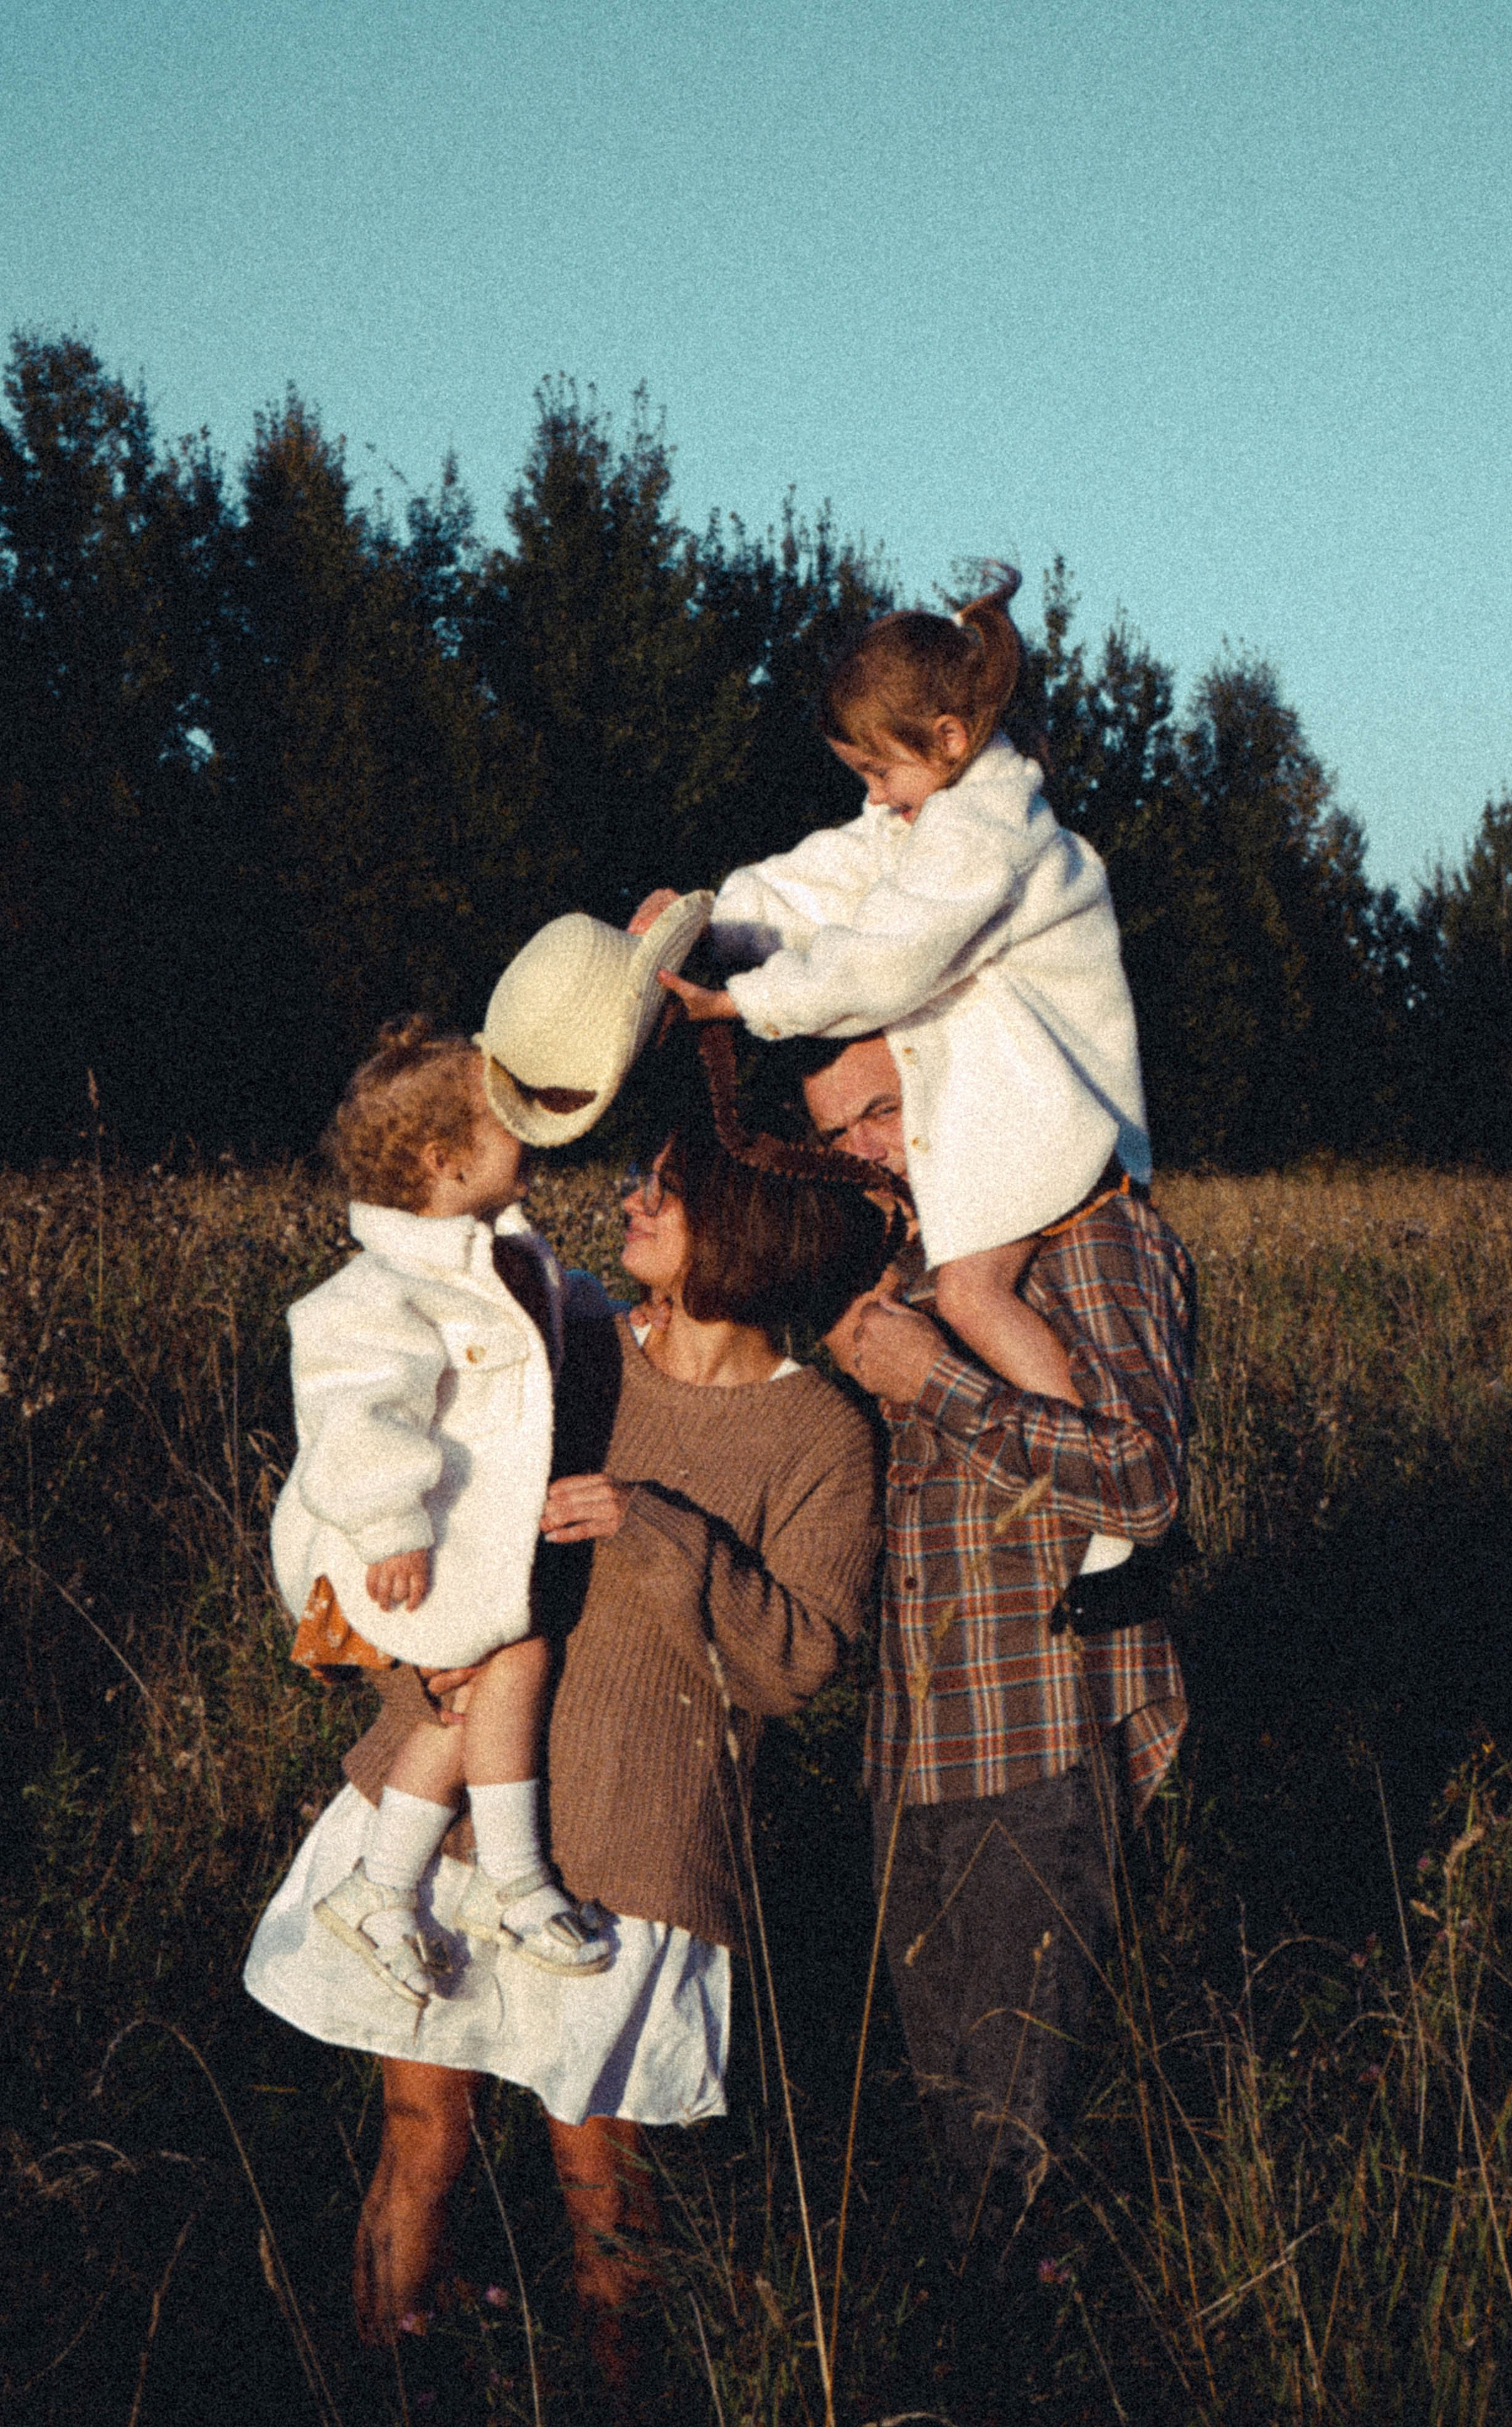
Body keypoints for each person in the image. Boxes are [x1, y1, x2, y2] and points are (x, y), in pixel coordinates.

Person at [246, 1037, 888, 2399]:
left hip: (633, 1856)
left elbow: (798, 1665)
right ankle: (383, 2396)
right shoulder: (566, 1349)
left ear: (745, 1227)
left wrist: (659, 1531)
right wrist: (407, 1672)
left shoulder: (822, 1435)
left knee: (605, 2190)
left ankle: (612, 2400)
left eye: (666, 1189)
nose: (630, 1202)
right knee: (421, 2141)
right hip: (444, 1826)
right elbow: (396, 1496)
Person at [797, 1031, 1194, 2269]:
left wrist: (934, 1379)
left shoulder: (1087, 1238)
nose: (864, 1152)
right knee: (950, 2125)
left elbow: (1144, 1483)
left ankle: (1029, 2339)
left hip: (1036, 1741)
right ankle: (977, 2328)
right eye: (834, 1134)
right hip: (912, 1752)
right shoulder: (910, 1260)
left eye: (880, 1111)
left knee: (1023, 2146)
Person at [646, 566, 1151, 1424]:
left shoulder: (986, 836)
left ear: (949, 738)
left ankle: (1084, 1445)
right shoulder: (932, 818)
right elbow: (825, 880)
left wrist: (740, 1005)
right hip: (1007, 1113)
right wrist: (706, 920)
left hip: (1041, 1115)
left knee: (969, 1296)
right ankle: (1062, 1440)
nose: (874, 797)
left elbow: (884, 961)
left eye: (880, 772)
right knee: (934, 1289)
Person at [270, 1016, 609, 2002]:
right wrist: (390, 1527)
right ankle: (513, 1878)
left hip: (447, 1546)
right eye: (506, 1120)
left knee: (473, 1695)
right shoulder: (382, 1287)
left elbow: (548, 1323)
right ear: (441, 1158)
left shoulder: (496, 1253)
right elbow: (354, 1413)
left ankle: (381, 1888)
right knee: (509, 1663)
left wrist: (606, 1318)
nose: (530, 1131)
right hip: (375, 1550)